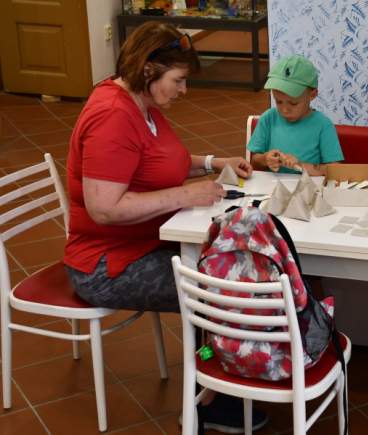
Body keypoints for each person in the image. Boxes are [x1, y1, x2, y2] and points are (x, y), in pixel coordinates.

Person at [62, 21, 265, 433]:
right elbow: (104, 209)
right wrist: (184, 196)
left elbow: (159, 163)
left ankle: (217, 381)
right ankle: (209, 399)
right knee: (222, 287)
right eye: (179, 80)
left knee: (230, 265)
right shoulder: (112, 117)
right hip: (105, 265)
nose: (184, 90)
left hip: (141, 244)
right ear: (148, 69)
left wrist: (213, 163)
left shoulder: (140, 103)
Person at [247, 54, 344, 176]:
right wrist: (265, 159)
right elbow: (254, 162)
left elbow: (335, 169)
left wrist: (301, 166)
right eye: (278, 101)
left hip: (308, 186)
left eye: (293, 103)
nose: (284, 110)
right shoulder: (268, 119)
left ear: (312, 95)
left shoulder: (323, 125)